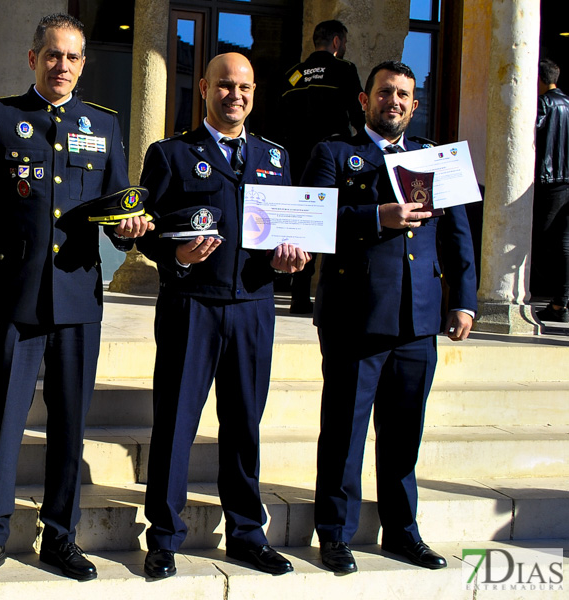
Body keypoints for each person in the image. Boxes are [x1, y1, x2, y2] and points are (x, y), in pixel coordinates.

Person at [0, 13, 152, 584]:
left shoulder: (104, 125)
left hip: (76, 301)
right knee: (5, 423)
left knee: (70, 425)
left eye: (72, 57)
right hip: (12, 300)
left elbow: (118, 211)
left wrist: (131, 230)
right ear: (33, 58)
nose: (61, 65)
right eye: (52, 55)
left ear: (83, 64)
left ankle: (60, 538)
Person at [136, 52, 309, 579]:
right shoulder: (170, 154)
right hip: (193, 305)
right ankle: (164, 536)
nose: (235, 96)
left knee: (243, 426)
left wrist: (293, 260)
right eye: (225, 86)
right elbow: (149, 228)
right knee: (175, 423)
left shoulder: (275, 157)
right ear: (205, 90)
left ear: (255, 93)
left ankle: (246, 533)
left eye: (245, 88)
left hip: (254, 307)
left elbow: (290, 228)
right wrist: (174, 257)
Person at [300, 60, 477, 574]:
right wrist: (377, 215)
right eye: (384, 93)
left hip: (418, 321)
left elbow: (457, 236)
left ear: (413, 104)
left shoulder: (432, 157)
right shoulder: (334, 153)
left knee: (404, 435)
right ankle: (334, 534)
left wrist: (463, 299)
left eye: (402, 95)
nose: (393, 102)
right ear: (364, 100)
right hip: (355, 318)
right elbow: (314, 222)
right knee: (345, 433)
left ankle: (403, 531)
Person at [279, 19, 364, 314]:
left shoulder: (293, 75)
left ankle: (298, 297)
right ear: (337, 42)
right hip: (333, 159)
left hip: (296, 159)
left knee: (302, 224)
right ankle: (334, 293)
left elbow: (279, 118)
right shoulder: (344, 70)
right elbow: (358, 115)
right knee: (336, 222)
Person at [534, 57, 569, 322]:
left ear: (540, 79)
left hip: (550, 182)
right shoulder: (568, 103)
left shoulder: (543, 103)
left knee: (547, 242)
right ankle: (560, 303)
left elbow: (528, 134)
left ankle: (558, 301)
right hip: (566, 181)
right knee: (563, 243)